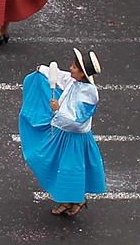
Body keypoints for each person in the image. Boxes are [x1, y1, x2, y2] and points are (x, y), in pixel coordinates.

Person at [19, 51, 106, 218]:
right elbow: (60, 76)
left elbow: (76, 121)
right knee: (64, 168)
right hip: (63, 134)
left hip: (74, 139)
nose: (70, 68)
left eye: (74, 67)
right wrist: (43, 70)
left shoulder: (89, 94)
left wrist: (58, 109)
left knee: (69, 170)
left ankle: (75, 200)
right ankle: (71, 200)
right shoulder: (75, 81)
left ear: (82, 73)